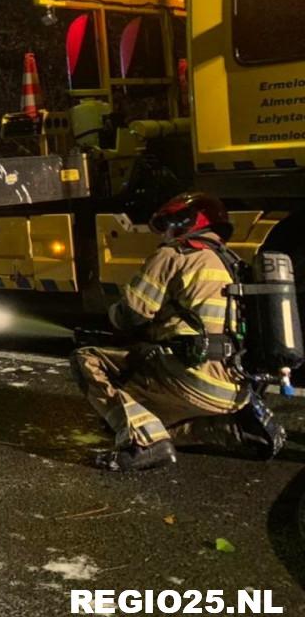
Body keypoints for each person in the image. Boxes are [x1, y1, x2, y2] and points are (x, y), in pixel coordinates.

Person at [71, 192, 286, 471]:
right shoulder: (234, 265)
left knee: (88, 360)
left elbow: (131, 314)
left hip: (190, 379)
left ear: (186, 223)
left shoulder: (174, 255)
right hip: (236, 389)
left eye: (169, 225)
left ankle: (146, 445)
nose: (166, 235)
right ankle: (233, 427)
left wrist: (113, 317)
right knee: (138, 417)